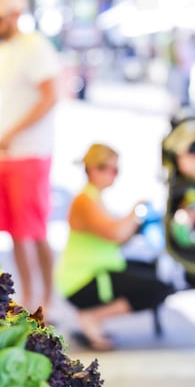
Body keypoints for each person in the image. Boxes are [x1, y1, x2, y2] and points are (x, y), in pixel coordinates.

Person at [0, 0, 61, 315]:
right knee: (16, 231)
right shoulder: (2, 53)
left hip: (30, 151)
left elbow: (51, 95)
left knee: (32, 231)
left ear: (16, 15)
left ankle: (42, 299)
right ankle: (31, 295)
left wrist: (13, 131)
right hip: (9, 152)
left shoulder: (35, 47)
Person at [53, 143, 174, 350]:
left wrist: (137, 224)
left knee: (155, 272)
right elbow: (115, 233)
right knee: (158, 289)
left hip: (101, 269)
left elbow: (118, 237)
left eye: (117, 170)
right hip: (84, 280)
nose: (115, 175)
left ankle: (93, 317)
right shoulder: (84, 200)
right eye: (111, 169)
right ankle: (92, 317)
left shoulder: (95, 197)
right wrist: (136, 212)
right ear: (93, 169)